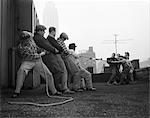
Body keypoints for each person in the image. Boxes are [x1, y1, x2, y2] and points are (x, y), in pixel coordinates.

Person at [12, 31, 62, 98]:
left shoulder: (31, 42)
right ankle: (17, 92)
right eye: (27, 38)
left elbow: (37, 48)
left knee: (48, 75)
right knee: (21, 71)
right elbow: (30, 56)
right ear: (23, 39)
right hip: (27, 61)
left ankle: (54, 91)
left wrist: (42, 51)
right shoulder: (21, 47)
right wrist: (41, 54)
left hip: (37, 61)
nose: (29, 40)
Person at [42, 27, 74, 94]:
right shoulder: (50, 38)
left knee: (61, 71)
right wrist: (61, 49)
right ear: (53, 31)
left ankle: (60, 87)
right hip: (57, 55)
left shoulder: (50, 39)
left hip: (57, 55)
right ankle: (63, 88)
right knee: (63, 71)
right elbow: (58, 47)